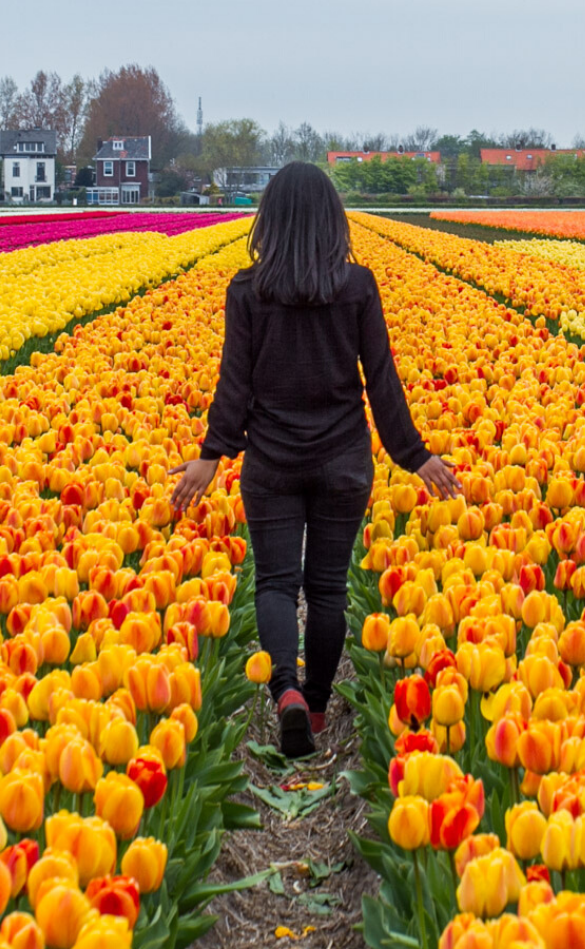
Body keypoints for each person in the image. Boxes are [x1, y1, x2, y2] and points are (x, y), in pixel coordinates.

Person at [168, 162, 459, 757]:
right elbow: (381, 379)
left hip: (271, 461)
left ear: (268, 220)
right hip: (342, 461)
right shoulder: (356, 286)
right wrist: (415, 456)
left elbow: (234, 384)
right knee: (326, 588)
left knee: (276, 583)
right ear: (332, 220)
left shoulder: (249, 291)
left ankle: (286, 695)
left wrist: (212, 454)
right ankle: (320, 706)